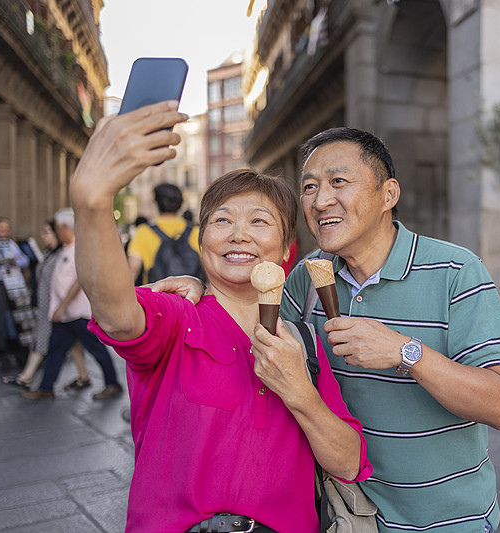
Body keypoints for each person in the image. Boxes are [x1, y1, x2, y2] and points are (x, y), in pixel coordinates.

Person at [159, 127, 500, 532]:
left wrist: (406, 352)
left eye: (338, 181)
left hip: (447, 519)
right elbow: (247, 326)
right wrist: (201, 289)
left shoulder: (455, 271)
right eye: (309, 187)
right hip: (346, 515)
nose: (320, 199)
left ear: (388, 195)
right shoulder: (307, 278)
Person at [68, 100, 372, 532]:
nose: (239, 234)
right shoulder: (178, 317)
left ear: (287, 250)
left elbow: (347, 460)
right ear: (202, 240)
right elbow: (118, 316)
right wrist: (93, 205)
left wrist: (299, 391)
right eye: (222, 220)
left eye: (259, 221)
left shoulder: (303, 341)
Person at [21, 209, 123, 401]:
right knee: (56, 349)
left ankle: (112, 383)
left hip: (77, 312)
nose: (58, 233)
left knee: (96, 349)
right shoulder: (65, 249)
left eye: (59, 229)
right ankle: (46, 387)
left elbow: (78, 281)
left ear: (67, 228)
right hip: (65, 315)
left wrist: (62, 306)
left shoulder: (79, 249)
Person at [2, 220, 91, 390]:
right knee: (72, 344)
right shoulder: (51, 253)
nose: (43, 236)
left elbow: (72, 281)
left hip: (57, 307)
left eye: (47, 232)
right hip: (50, 305)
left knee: (46, 340)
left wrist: (61, 305)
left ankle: (29, 377)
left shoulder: (64, 253)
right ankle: (83, 376)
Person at [126, 182, 201, 284]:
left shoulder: (143, 231)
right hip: (192, 296)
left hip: (156, 296)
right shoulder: (195, 231)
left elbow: (133, 271)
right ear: (180, 203)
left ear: (156, 202)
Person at [0, 216, 34, 369]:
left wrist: (14, 260)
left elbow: (24, 260)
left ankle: (21, 350)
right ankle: (4, 350)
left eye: (7, 230)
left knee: (19, 318)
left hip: (16, 284)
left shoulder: (11, 243)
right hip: (2, 284)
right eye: (2, 230)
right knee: (2, 318)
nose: (5, 233)